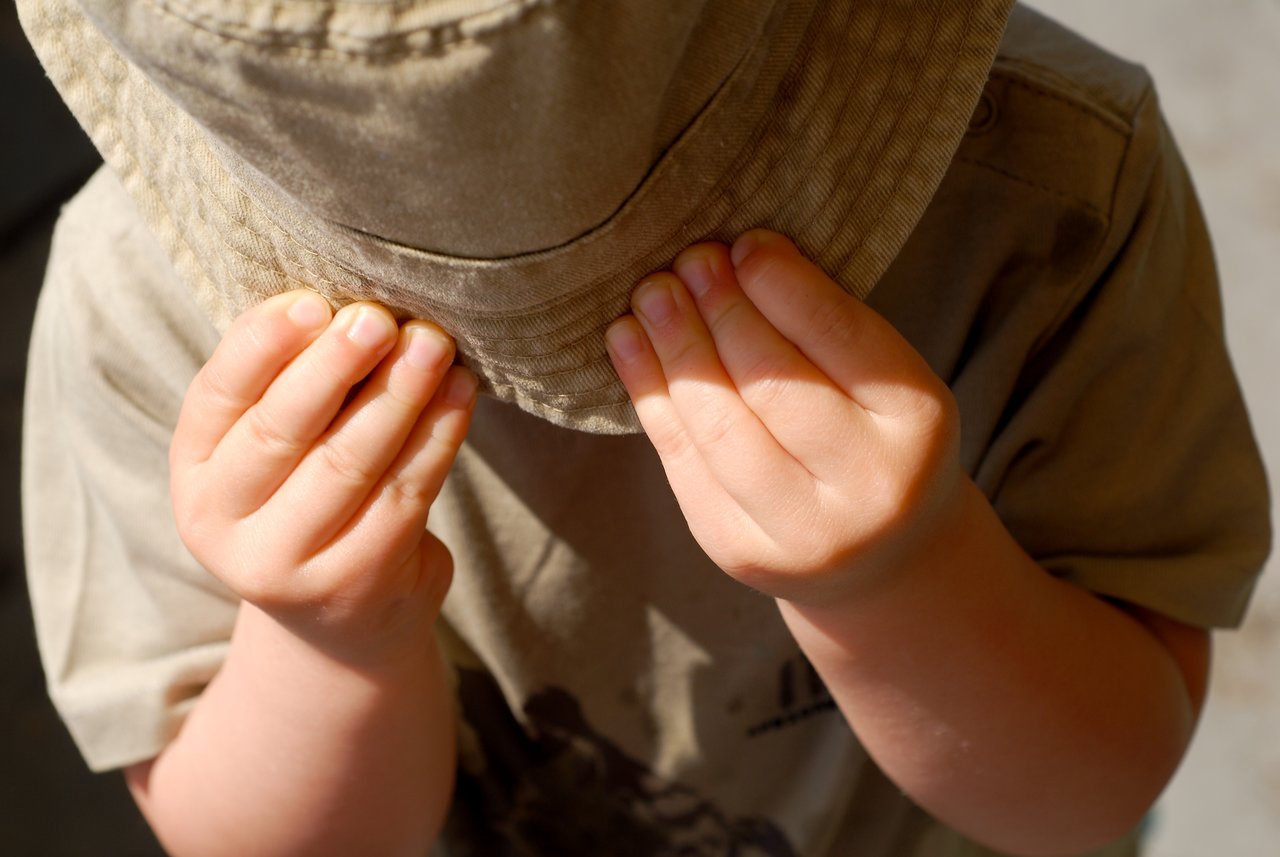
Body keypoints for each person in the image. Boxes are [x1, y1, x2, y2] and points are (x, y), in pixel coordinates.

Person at [18, 1, 1270, 855]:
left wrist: (904, 576)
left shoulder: (1046, 198)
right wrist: (324, 641)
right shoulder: (143, 309)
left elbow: (1097, 778)